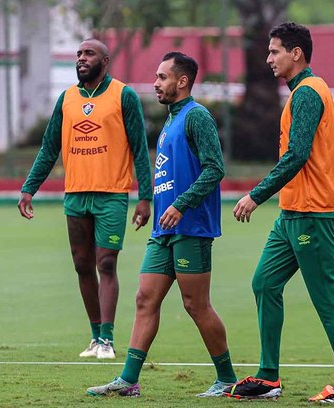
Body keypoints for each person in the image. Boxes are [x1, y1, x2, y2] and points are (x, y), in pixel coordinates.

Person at [226, 22, 334, 403]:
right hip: (292, 213)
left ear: (296, 54)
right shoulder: (306, 93)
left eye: (274, 51)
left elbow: (298, 156)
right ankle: (269, 377)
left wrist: (255, 195)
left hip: (311, 213)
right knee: (264, 283)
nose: (268, 59)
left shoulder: (307, 93)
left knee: (325, 296)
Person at [87, 51, 237, 398]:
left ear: (182, 81)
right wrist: (151, 205)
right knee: (144, 298)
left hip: (192, 227)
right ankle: (127, 381)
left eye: (162, 77)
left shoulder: (197, 117)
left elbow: (215, 168)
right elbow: (171, 172)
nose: (155, 83)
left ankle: (227, 378)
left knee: (195, 305)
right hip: (163, 230)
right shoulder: (171, 119)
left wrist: (182, 206)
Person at [18, 39, 152, 359]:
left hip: (112, 196)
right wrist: (29, 187)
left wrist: (144, 197)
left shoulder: (124, 95)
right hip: (75, 194)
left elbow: (139, 148)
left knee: (105, 262)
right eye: (79, 54)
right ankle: (94, 337)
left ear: (104, 61)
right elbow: (50, 147)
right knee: (81, 265)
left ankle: (107, 339)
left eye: (88, 54)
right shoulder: (66, 99)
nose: (81, 58)